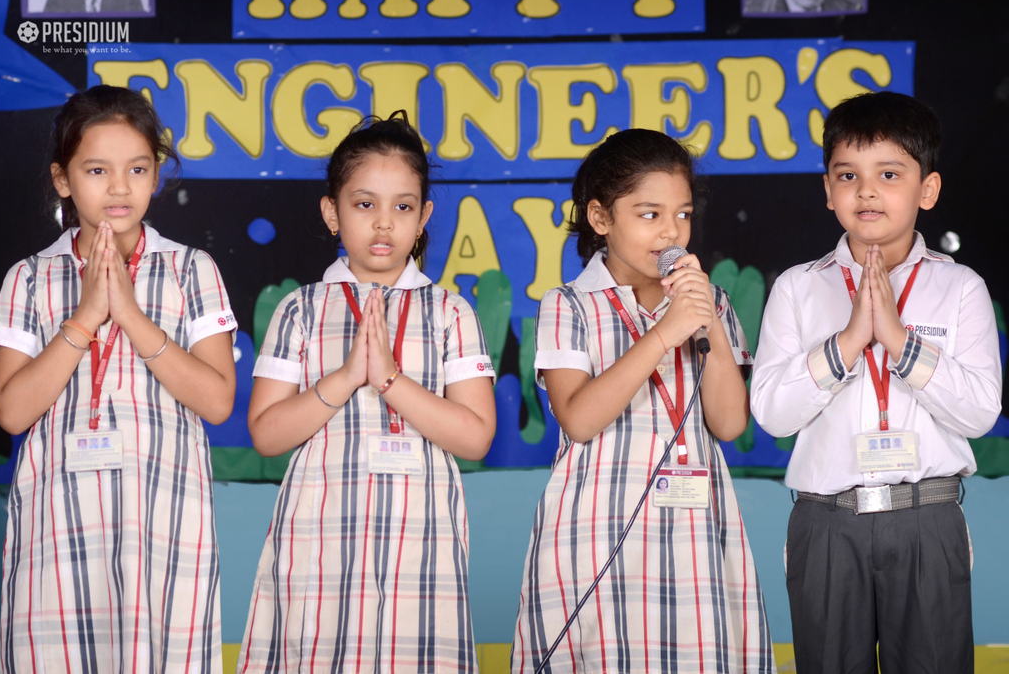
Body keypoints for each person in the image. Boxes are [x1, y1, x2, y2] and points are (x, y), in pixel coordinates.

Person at [0, 85, 237, 672]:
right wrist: (86, 316)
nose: (119, 187)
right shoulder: (29, 278)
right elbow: (12, 412)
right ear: (63, 179)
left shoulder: (191, 270)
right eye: (97, 169)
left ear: (157, 175)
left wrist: (129, 314)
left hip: (165, 527)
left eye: (137, 168)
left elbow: (217, 400)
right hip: (57, 531)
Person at [751, 91, 1002, 674]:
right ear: (828, 191)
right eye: (848, 175)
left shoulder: (960, 287)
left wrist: (898, 340)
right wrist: (847, 342)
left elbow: (979, 413)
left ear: (927, 189)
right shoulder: (797, 287)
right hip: (826, 521)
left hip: (927, 518)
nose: (866, 190)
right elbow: (772, 413)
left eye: (889, 173)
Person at [237, 112, 497, 673]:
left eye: (403, 207)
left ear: (424, 216)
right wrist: (347, 375)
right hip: (320, 542)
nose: (384, 224)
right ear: (332, 212)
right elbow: (266, 433)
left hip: (421, 543)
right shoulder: (299, 309)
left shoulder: (451, 311)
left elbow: (475, 437)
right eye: (364, 205)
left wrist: (389, 381)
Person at [512, 129, 775, 673]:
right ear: (601, 218)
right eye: (649, 214)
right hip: (598, 526)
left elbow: (728, 422)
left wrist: (707, 321)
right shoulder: (568, 305)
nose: (671, 231)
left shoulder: (710, 300)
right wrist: (664, 333)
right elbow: (579, 418)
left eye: (681, 214)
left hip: (696, 526)